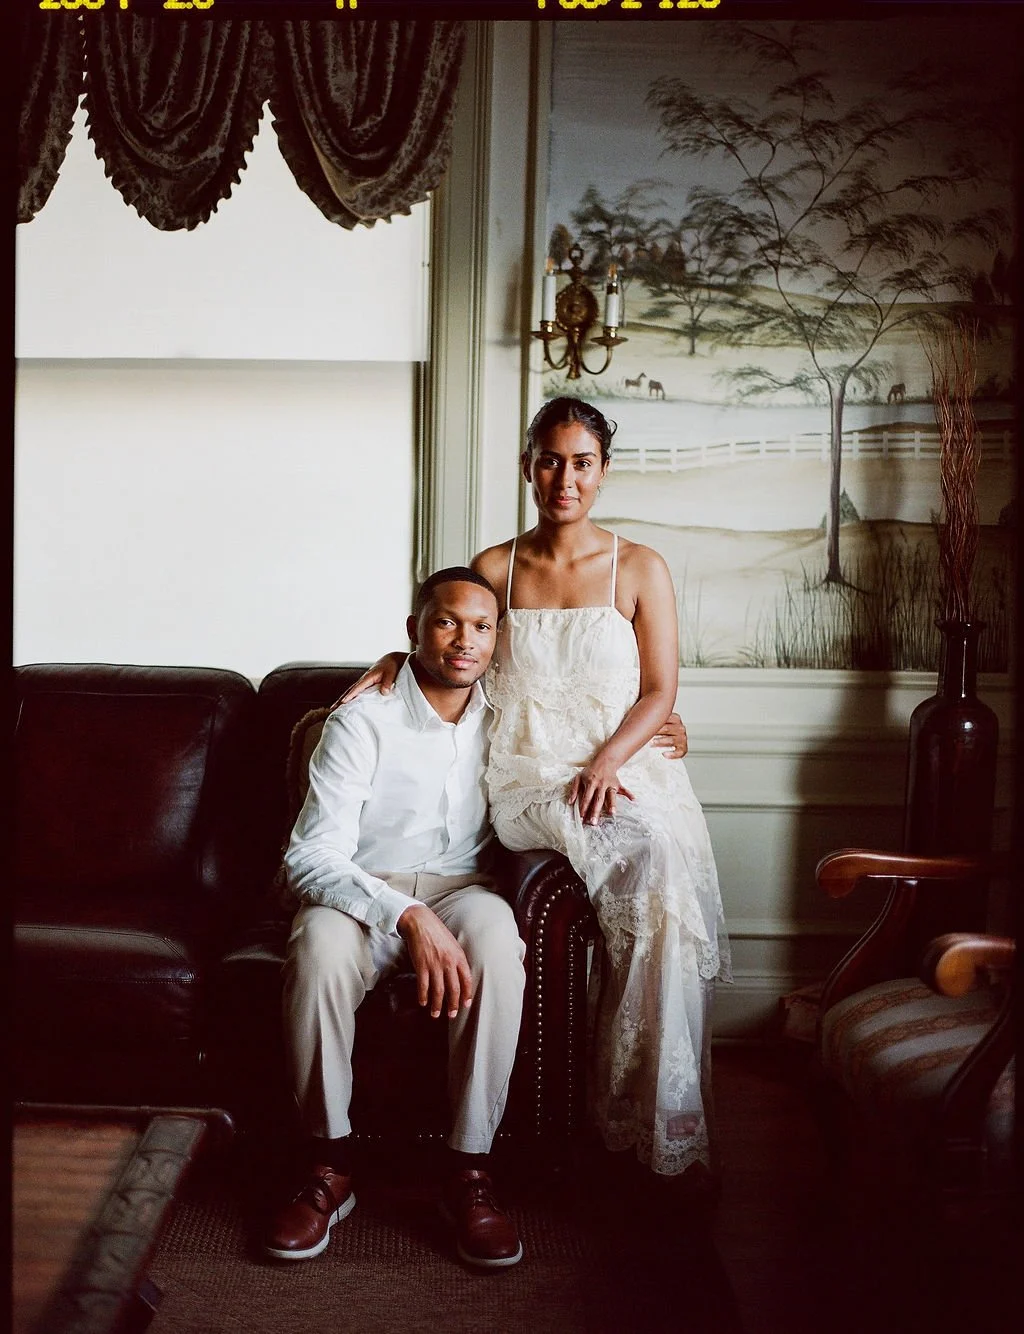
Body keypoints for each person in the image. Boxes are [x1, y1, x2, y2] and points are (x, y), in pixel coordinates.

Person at [349, 398, 730, 1182]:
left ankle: (653, 1115)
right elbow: (453, 631)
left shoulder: (642, 567)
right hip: (528, 776)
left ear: (603, 471)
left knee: (663, 870)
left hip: (622, 764)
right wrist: (396, 659)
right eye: (550, 460)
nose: (565, 478)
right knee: (645, 860)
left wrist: (610, 762)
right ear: (528, 466)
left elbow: (659, 690)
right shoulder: (499, 566)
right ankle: (608, 1118)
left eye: (582, 462)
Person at [265, 568, 527, 1269]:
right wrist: (405, 913)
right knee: (318, 944)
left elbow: (593, 728)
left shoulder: (511, 711)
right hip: (363, 891)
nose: (464, 640)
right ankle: (329, 1165)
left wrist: (665, 726)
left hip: (464, 890)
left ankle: (468, 1170)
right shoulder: (362, 716)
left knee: (499, 941)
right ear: (415, 629)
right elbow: (309, 855)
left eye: (481, 626)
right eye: (446, 622)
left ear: (498, 639)